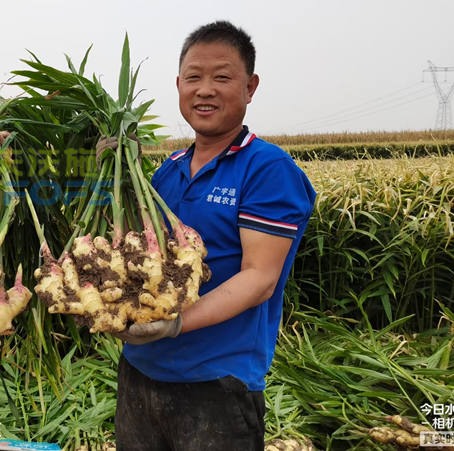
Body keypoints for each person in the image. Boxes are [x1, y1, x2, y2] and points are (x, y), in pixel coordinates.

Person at [105, 21, 317, 450]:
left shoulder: (267, 168)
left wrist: (176, 324)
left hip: (217, 384)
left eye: (222, 77)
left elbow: (260, 278)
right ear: (178, 85)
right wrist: (109, 178)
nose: (205, 90)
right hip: (139, 373)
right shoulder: (168, 168)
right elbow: (134, 254)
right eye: (193, 78)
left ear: (250, 86)